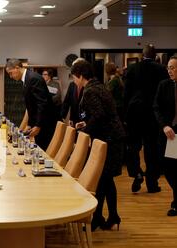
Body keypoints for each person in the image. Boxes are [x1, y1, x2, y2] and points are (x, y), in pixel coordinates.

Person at [71, 60, 125, 231]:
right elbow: (98, 114)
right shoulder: (99, 86)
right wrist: (84, 123)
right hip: (113, 137)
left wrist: (85, 130)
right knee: (105, 179)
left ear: (80, 76)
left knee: (103, 179)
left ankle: (98, 218)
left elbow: (99, 115)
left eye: (74, 78)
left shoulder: (90, 91)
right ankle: (109, 217)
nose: (74, 81)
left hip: (109, 139)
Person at [124, 44, 169, 193]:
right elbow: (164, 95)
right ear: (155, 55)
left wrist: (125, 115)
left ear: (142, 55)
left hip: (134, 113)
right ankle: (152, 182)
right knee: (151, 148)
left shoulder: (131, 69)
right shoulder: (161, 69)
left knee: (133, 147)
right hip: (152, 114)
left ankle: (136, 172)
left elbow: (126, 94)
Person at [5, 59, 57, 150]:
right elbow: (31, 106)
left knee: (43, 152)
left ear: (17, 68)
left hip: (46, 123)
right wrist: (29, 124)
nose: (10, 76)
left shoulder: (33, 78)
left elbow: (42, 104)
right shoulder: (26, 79)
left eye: (10, 73)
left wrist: (37, 125)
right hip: (39, 122)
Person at [153, 55, 177, 216]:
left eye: (173, 67)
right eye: (168, 67)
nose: (169, 70)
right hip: (171, 134)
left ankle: (176, 204)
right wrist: (164, 125)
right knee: (169, 168)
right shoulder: (164, 85)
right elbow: (156, 107)